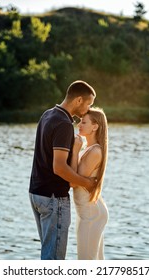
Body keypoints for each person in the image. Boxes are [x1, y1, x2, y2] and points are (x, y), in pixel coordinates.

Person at [29, 80, 97, 260]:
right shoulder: (64, 124)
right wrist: (87, 183)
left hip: (36, 194)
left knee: (47, 253)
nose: (88, 109)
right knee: (54, 260)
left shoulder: (48, 114)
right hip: (53, 198)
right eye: (89, 104)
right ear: (79, 100)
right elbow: (59, 167)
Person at [71, 107, 109, 260]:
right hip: (88, 212)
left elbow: (73, 182)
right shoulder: (89, 148)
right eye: (80, 121)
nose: (79, 124)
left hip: (91, 214)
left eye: (84, 122)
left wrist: (74, 151)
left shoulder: (94, 151)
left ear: (95, 126)